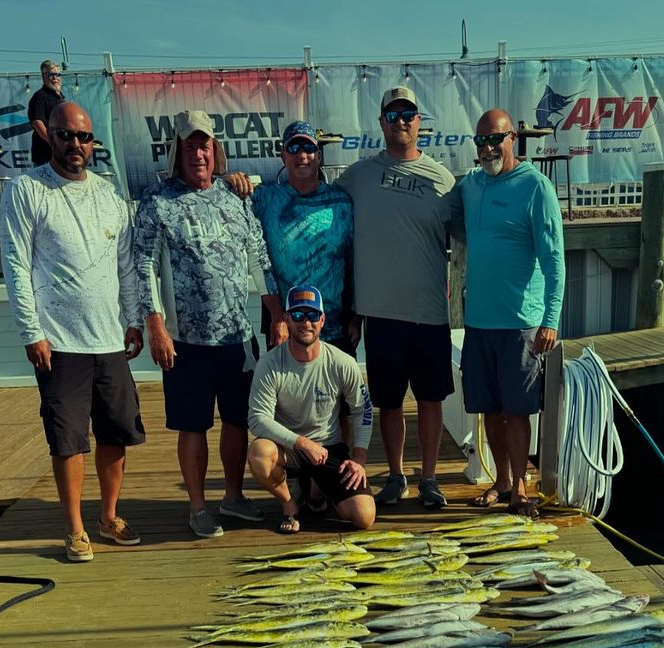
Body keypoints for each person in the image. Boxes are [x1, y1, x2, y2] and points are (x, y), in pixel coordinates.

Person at [0, 101, 144, 563]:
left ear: (93, 142)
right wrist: (31, 331)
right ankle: (76, 528)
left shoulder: (109, 194)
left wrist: (134, 317)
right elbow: (16, 265)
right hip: (60, 341)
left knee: (117, 434)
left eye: (84, 137)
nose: (75, 145)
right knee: (68, 438)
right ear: (49, 136)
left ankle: (108, 516)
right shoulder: (27, 190)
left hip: (109, 339)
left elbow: (125, 266)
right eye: (65, 135)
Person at [133, 110, 274, 538]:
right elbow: (142, 266)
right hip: (185, 341)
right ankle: (198, 506)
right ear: (178, 150)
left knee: (237, 421)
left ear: (216, 150)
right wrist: (154, 325)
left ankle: (232, 497)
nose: (199, 153)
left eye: (205, 144)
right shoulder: (157, 201)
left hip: (236, 337)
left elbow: (258, 257)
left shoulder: (235, 197)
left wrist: (277, 311)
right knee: (192, 425)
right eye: (191, 145)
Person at [336, 86, 461, 510]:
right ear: (382, 123)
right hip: (380, 315)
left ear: (419, 121)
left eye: (408, 114)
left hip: (429, 314)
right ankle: (395, 475)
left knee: (430, 401)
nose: (401, 121)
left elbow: (471, 234)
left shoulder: (443, 180)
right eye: (392, 114)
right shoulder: (358, 175)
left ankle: (429, 478)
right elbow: (314, 195)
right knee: (388, 403)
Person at [458, 108, 565, 519]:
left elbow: (555, 262)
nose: (487, 148)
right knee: (489, 409)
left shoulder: (536, 187)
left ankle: (521, 487)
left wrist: (550, 319)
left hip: (521, 324)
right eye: (480, 140)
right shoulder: (471, 186)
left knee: (517, 412)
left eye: (494, 139)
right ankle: (501, 482)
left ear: (513, 138)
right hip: (479, 323)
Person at [247, 285, 375, 535]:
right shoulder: (269, 363)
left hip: (329, 448)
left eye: (312, 315)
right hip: (290, 448)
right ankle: (290, 506)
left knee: (364, 517)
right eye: (297, 315)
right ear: (286, 319)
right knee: (259, 453)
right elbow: (257, 418)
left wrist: (359, 459)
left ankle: (317, 491)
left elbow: (363, 410)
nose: (305, 322)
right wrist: (302, 443)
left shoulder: (342, 362)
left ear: (322, 320)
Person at [251, 121, 355, 354]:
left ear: (318, 156)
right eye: (294, 148)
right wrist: (231, 180)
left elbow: (354, 265)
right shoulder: (264, 198)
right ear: (283, 156)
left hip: (335, 329)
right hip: (285, 328)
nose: (302, 155)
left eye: (308, 149)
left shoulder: (341, 202)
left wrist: (355, 318)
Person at [27, 60, 64, 167]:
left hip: (60, 155)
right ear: (43, 77)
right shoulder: (40, 97)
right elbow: (37, 123)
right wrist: (53, 143)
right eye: (51, 74)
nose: (55, 78)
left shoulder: (61, 97)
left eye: (57, 74)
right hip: (45, 156)